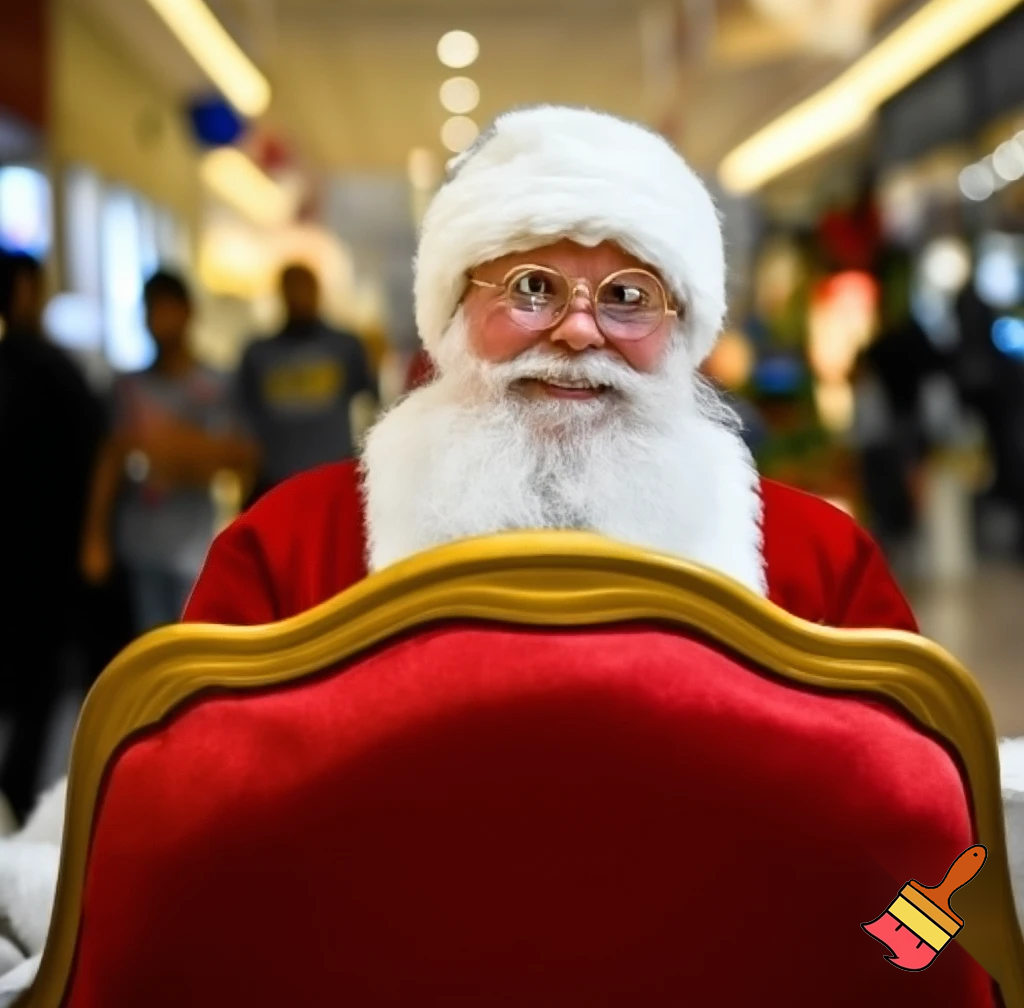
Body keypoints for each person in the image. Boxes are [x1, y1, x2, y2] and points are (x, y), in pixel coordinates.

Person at [0, 106, 985, 996]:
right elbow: (186, 848)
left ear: (683, 331)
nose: (577, 330)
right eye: (529, 285)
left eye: (630, 294)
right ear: (453, 312)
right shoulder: (289, 543)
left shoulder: (815, 555)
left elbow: (918, 852)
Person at [79, 271, 259, 633]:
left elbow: (239, 455)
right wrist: (94, 534)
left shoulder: (216, 384)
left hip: (196, 546)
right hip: (141, 543)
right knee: (150, 650)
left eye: (167, 309)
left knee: (194, 646)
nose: (159, 320)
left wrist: (170, 448)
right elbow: (113, 458)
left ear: (188, 312)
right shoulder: (129, 388)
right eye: (151, 311)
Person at [0, 254, 105, 820]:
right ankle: (19, 800)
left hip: (21, 550)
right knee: (43, 688)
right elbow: (95, 441)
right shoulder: (49, 368)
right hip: (46, 551)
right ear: (25, 291)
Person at [238, 263, 379, 502]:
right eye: (292, 288)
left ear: (317, 290)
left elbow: (371, 405)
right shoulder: (259, 355)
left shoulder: (345, 347)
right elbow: (243, 420)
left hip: (335, 479)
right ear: (281, 294)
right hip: (277, 483)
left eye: (305, 287)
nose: (299, 296)